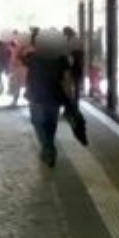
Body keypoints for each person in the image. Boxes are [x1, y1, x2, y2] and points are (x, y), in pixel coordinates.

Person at [25, 28, 72, 167]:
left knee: (38, 122)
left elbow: (19, 62)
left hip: (36, 95)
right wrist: (69, 98)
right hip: (55, 96)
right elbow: (67, 80)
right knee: (51, 124)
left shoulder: (32, 56)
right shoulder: (62, 59)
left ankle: (48, 147)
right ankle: (49, 147)